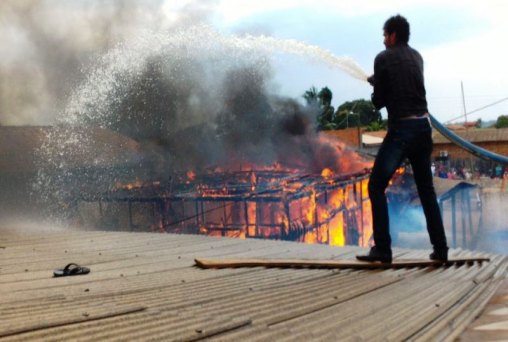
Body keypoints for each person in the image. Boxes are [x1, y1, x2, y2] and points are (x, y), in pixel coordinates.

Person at [357, 14, 449, 263]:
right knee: (426, 190)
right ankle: (441, 250)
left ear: (393, 35)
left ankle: (383, 250)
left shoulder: (382, 57)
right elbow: (405, 85)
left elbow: (379, 101)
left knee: (376, 185)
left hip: (401, 131)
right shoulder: (417, 56)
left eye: (386, 35)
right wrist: (382, 81)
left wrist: (375, 84)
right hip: (423, 128)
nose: (384, 40)